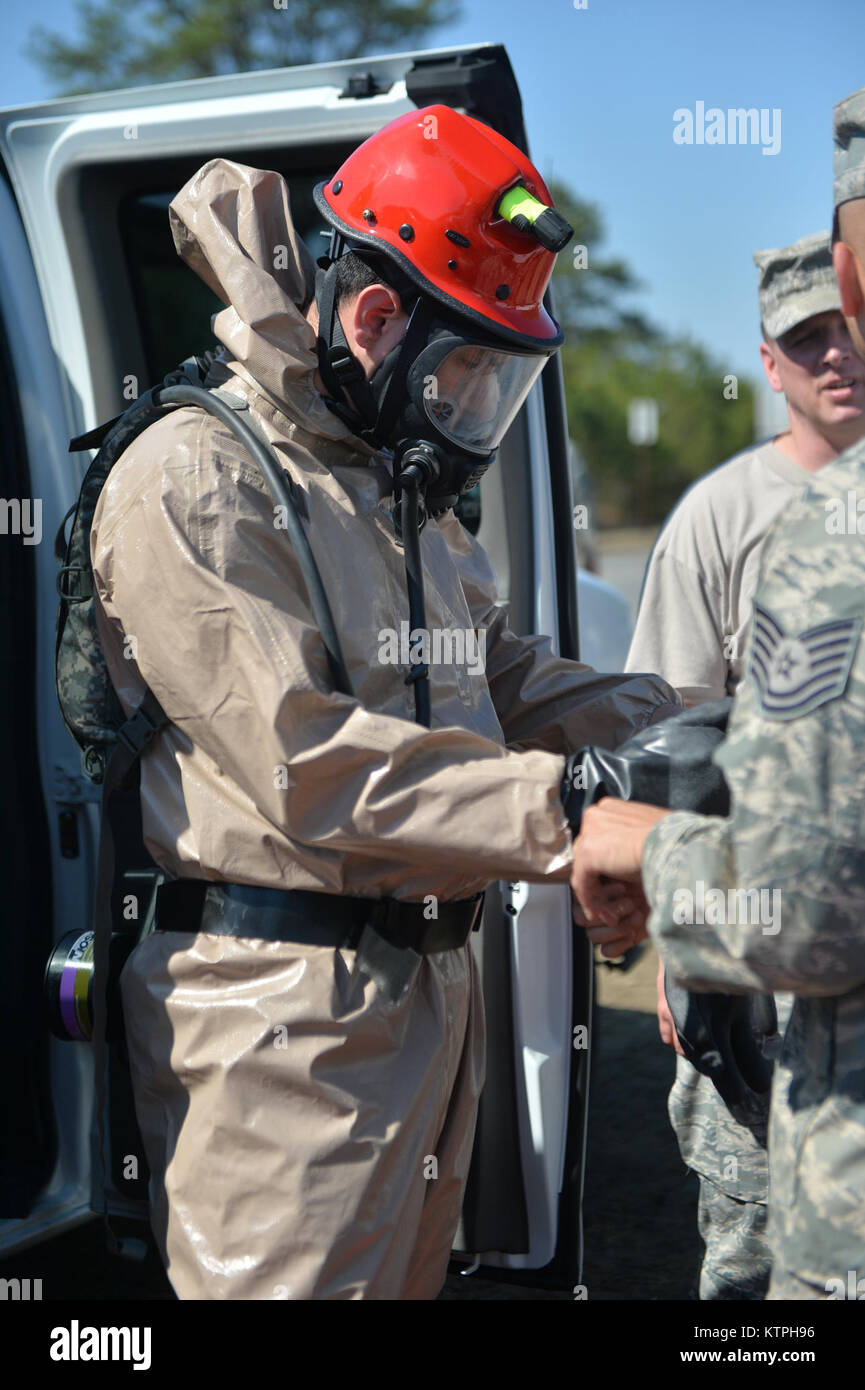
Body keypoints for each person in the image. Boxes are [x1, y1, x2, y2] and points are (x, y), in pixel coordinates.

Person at [90, 107, 681, 1300]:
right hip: (282, 1034)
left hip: (422, 1002)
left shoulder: (386, 486)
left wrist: (677, 730)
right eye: (467, 374)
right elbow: (309, 763)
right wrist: (572, 800)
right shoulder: (198, 478)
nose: (472, 417)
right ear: (374, 321)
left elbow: (500, 675)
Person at [571, 84, 865, 1301]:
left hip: (799, 948)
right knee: (742, 1261)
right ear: (769, 359)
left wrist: (653, 874)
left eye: (839, 330)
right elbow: (675, 741)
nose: (833, 355)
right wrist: (685, 968)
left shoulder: (836, 529)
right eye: (807, 342)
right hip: (747, 975)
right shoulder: (725, 517)